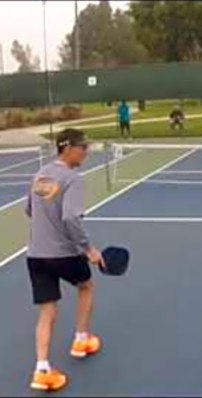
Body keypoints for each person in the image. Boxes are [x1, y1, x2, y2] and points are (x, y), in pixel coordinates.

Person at [26, 128, 105, 392]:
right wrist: (88, 249)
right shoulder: (72, 178)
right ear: (68, 147)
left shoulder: (40, 174)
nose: (85, 152)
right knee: (86, 286)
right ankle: (81, 339)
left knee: (47, 311)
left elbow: (29, 209)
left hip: (36, 255)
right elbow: (71, 218)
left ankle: (42, 369)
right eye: (83, 147)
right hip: (63, 253)